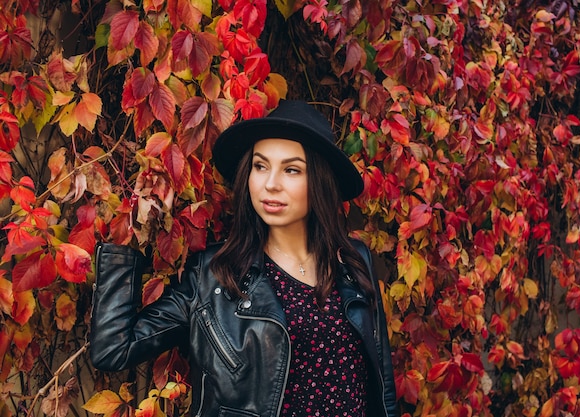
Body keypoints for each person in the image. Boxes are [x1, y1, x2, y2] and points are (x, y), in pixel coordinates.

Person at [90, 100, 398, 417]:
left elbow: (381, 383)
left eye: (291, 170)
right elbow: (114, 350)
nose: (270, 184)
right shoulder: (213, 276)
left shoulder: (352, 259)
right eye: (260, 166)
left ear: (321, 182)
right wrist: (127, 239)